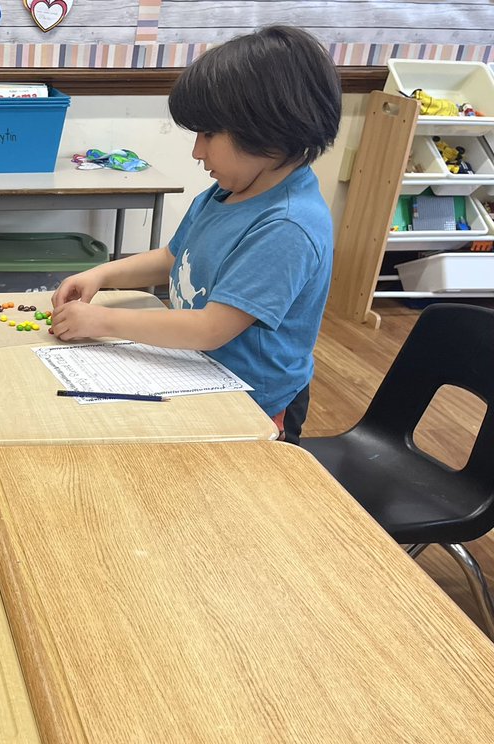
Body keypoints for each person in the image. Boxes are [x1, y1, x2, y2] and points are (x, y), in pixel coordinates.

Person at [50, 25, 342, 444]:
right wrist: (102, 274)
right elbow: (172, 257)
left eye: (208, 134)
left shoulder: (288, 225)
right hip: (197, 373)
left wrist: (102, 320)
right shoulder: (227, 190)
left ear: (268, 129)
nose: (197, 151)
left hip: (251, 409)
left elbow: (210, 328)